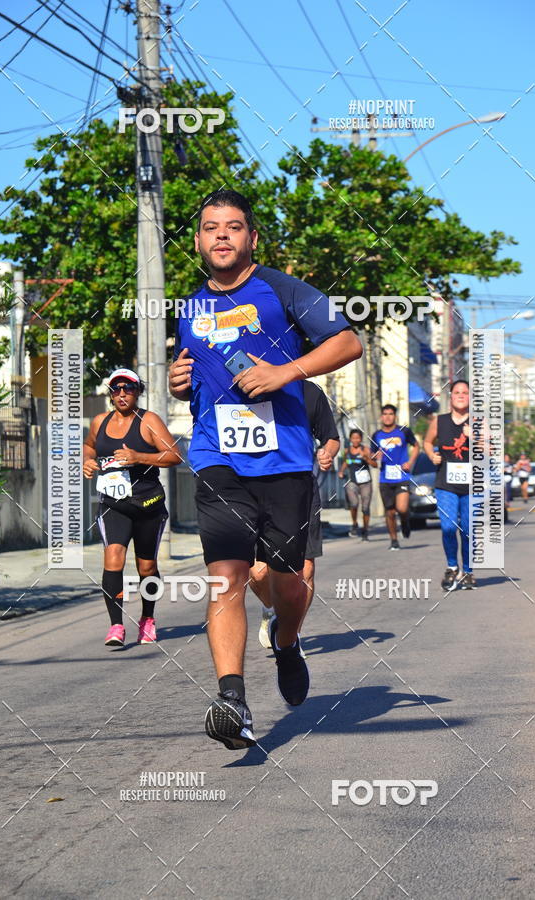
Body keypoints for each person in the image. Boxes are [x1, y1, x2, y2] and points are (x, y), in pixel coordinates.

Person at [168, 189, 361, 750]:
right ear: (199, 240)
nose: (221, 235)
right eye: (210, 227)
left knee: (289, 581)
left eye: (233, 227)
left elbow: (349, 339)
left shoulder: (281, 290)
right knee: (226, 575)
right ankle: (232, 698)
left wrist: (286, 373)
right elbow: (199, 382)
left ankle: (286, 639)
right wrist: (181, 384)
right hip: (217, 456)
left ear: (251, 237)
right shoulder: (188, 308)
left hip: (284, 460)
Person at [83, 368, 182, 647]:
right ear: (111, 394)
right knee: (113, 558)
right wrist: (87, 461)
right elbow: (89, 446)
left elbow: (175, 456)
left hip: (147, 503)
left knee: (147, 567)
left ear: (138, 391)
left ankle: (147, 618)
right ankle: (116, 625)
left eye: (128, 389)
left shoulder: (148, 420)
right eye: (116, 389)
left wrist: (138, 456)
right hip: (113, 503)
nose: (122, 394)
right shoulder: (100, 421)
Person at [250, 380, 340, 650]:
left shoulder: (309, 391)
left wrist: (328, 452)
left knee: (306, 569)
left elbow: (331, 437)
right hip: (253, 488)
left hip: (300, 489)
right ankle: (270, 609)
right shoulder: (247, 386)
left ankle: (291, 636)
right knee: (258, 573)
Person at [424, 380, 476, 591]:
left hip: (473, 484)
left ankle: (469, 572)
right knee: (447, 527)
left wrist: (477, 437)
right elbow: (427, 442)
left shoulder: (479, 421)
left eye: (465, 392)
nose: (461, 395)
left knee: (467, 529)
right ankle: (452, 567)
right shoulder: (439, 421)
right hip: (446, 482)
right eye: (457, 392)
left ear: (471, 397)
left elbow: (492, 451)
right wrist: (431, 455)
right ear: (451, 397)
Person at [370, 404, 419, 550]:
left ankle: (405, 521)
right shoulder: (376, 435)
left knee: (402, 508)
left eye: (390, 414)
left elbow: (416, 446)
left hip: (402, 476)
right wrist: (375, 457)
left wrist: (410, 462)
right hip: (385, 478)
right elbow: (372, 460)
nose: (387, 416)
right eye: (385, 414)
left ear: (395, 416)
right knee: (390, 512)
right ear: (381, 417)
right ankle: (394, 540)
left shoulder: (404, 431)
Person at [338, 429, 376, 540]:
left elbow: (374, 465)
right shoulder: (347, 451)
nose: (355, 440)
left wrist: (366, 458)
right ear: (350, 439)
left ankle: (365, 531)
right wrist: (341, 471)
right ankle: (354, 523)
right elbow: (346, 462)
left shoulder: (366, 450)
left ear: (361, 439)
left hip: (365, 482)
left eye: (358, 438)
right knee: (353, 504)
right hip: (353, 481)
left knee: (365, 508)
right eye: (353, 438)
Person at [504, 453, 514, 523]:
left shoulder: (511, 464)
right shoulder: (500, 463)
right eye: (506, 457)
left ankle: (505, 517)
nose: (507, 459)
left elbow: (514, 470)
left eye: (508, 458)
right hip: (500, 482)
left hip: (508, 481)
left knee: (507, 495)